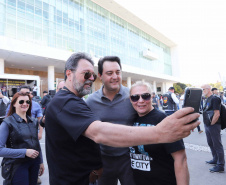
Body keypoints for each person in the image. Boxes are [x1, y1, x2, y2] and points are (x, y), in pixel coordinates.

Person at [45, 52, 200, 185]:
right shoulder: (70, 102)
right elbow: (98, 133)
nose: (90, 78)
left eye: (91, 75)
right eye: (86, 74)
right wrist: (160, 132)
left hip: (126, 165)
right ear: (69, 73)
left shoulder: (77, 101)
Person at [86, 56, 137, 185]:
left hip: (129, 160)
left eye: (118, 72)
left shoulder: (133, 96)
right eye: (109, 73)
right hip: (103, 162)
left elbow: (151, 116)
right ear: (100, 75)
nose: (115, 76)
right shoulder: (91, 101)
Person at [129, 81, 189, 185]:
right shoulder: (129, 119)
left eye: (145, 96)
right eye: (135, 97)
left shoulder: (164, 120)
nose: (140, 101)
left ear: (152, 97)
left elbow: (181, 159)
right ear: (130, 99)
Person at [0, 92, 44, 185]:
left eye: (27, 101)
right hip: (17, 165)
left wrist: (40, 161)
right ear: (14, 104)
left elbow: (36, 143)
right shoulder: (7, 123)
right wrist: (25, 152)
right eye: (21, 101)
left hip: (34, 164)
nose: (25, 104)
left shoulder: (34, 121)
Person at [202, 84, 225, 173]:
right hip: (208, 124)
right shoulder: (207, 98)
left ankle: (220, 165)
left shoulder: (215, 98)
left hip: (213, 125)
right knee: (210, 143)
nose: (202, 91)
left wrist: (212, 124)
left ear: (208, 89)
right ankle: (215, 159)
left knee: (217, 145)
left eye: (203, 89)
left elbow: (217, 113)